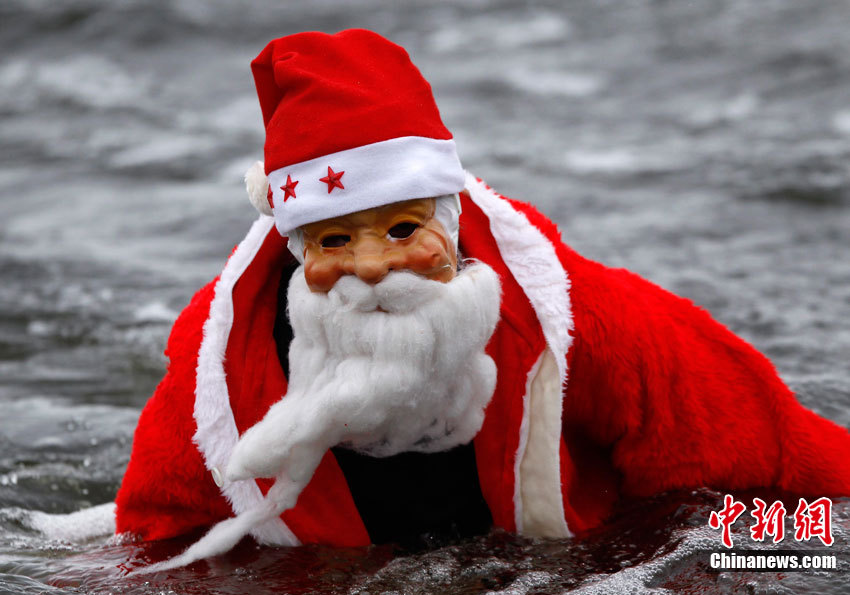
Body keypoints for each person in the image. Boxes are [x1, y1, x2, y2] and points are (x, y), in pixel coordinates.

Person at [115, 29, 850, 557]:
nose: (371, 267)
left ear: (452, 219)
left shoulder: (575, 313)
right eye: (334, 242)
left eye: (402, 228)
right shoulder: (224, 363)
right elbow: (157, 530)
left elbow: (767, 452)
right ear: (296, 246)